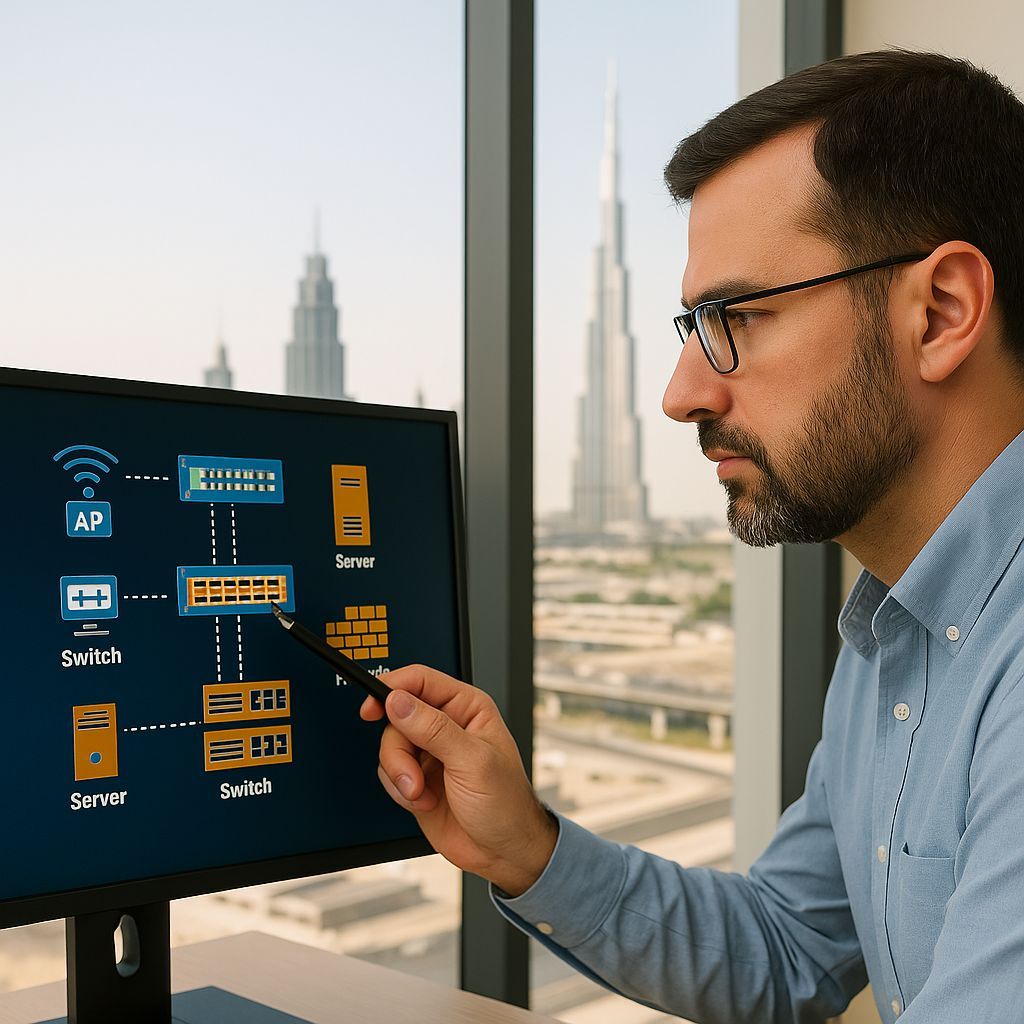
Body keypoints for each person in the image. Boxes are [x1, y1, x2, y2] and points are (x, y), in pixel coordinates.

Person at [361, 49, 1024, 1023]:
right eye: (692, 327)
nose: (682, 395)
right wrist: (527, 848)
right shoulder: (896, 636)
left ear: (941, 312)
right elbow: (787, 945)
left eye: (738, 319)